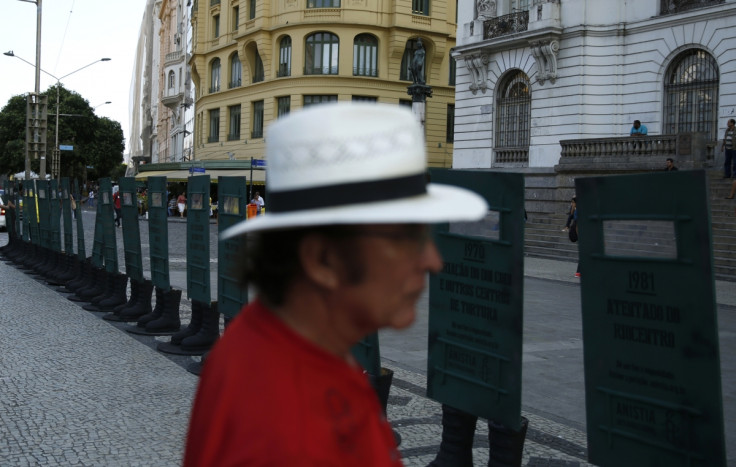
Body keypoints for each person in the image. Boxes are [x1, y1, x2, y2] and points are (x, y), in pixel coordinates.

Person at [183, 103, 487, 467]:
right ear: (323, 259)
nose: (433, 261)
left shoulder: (291, 348)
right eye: (406, 238)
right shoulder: (290, 428)